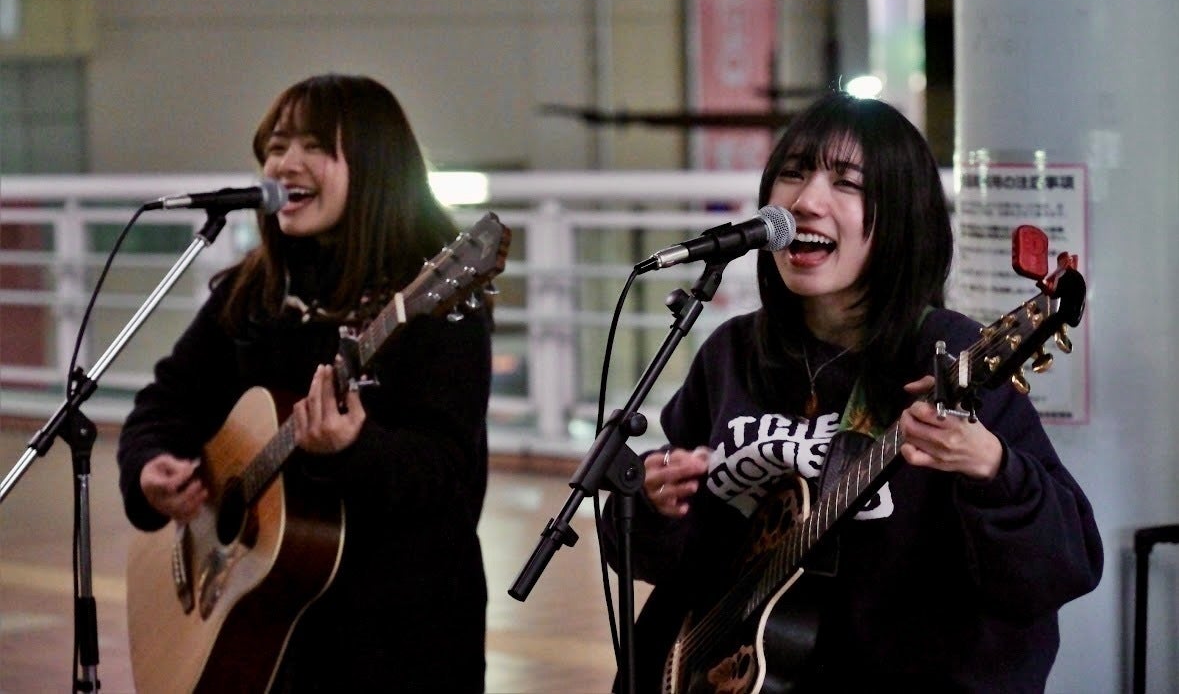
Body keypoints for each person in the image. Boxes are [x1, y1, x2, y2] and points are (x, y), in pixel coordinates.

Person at [599, 91, 1103, 692]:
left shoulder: (950, 359)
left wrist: (992, 470)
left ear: (901, 216)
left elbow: (1062, 568)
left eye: (847, 183)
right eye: (793, 173)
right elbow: (669, 562)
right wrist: (655, 509)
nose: (806, 201)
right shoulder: (733, 354)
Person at [117, 73, 493, 692]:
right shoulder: (256, 292)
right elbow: (168, 401)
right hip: (260, 634)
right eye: (276, 146)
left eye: (314, 145)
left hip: (399, 643)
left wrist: (354, 450)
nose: (285, 164)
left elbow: (449, 478)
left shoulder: (431, 305)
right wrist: (149, 465)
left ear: (375, 165)